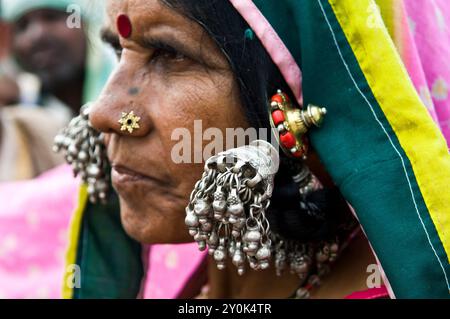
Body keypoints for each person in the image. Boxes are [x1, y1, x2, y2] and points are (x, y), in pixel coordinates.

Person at [28, 0, 450, 299]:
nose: (103, 113)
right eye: (119, 50)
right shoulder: (200, 259)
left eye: (169, 53)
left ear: (303, 93)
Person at [0, 0, 115, 180]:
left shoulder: (125, 99)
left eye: (51, 17)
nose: (37, 35)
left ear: (84, 23)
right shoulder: (30, 125)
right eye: (22, 26)